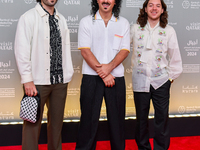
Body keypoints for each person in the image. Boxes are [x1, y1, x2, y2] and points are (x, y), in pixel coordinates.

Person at [14, 0, 74, 149]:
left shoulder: (62, 19)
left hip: (60, 82)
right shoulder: (28, 18)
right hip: (37, 82)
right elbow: (21, 51)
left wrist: (68, 73)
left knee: (56, 126)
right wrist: (27, 80)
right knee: (32, 126)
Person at [75, 0, 130, 150]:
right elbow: (85, 51)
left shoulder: (123, 23)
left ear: (115, 2)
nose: (106, 1)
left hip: (116, 78)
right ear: (97, 1)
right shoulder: (86, 22)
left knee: (117, 123)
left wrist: (109, 69)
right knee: (88, 121)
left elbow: (124, 50)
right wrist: (104, 74)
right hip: (91, 78)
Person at [130, 0, 182, 149]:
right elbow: (122, 50)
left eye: (158, 6)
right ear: (145, 8)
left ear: (162, 10)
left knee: (162, 120)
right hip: (140, 81)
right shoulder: (135, 29)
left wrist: (169, 79)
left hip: (161, 82)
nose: (154, 8)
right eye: (151, 5)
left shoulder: (169, 30)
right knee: (141, 120)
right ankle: (143, 147)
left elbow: (175, 57)